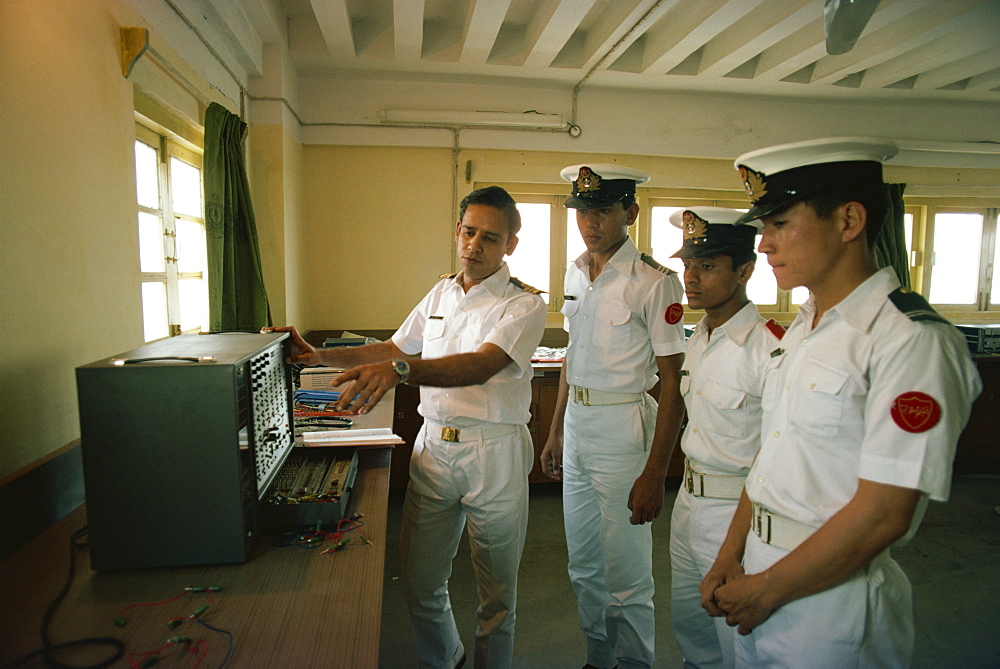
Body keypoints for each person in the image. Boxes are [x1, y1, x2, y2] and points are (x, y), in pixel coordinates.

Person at [699, 138, 982, 667]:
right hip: (755, 572)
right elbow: (771, 458)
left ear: (849, 220)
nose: (763, 246)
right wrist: (729, 554)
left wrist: (769, 588)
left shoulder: (908, 340)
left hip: (829, 601)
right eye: (764, 227)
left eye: (780, 223)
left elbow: (883, 515)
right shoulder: (805, 328)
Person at [266, 185, 547, 669]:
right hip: (434, 446)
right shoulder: (441, 292)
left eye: (491, 238)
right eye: (469, 232)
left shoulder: (523, 305)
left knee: (496, 593)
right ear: (457, 232)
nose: (475, 246)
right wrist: (317, 356)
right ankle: (446, 660)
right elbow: (395, 349)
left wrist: (403, 373)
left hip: (493, 453)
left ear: (511, 246)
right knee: (419, 581)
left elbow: (481, 366)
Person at [539, 163, 686, 669]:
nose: (590, 221)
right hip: (577, 428)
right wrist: (556, 430)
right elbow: (571, 359)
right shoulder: (576, 271)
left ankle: (635, 665)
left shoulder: (654, 282)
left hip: (624, 432)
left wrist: (655, 472)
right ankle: (599, 660)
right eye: (582, 210)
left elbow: (673, 386)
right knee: (584, 567)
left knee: (626, 575)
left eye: (602, 210)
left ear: (631, 211)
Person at [666, 207, 784, 669]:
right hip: (688, 505)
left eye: (707, 266)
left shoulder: (769, 349)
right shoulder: (700, 335)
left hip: (736, 515)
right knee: (692, 631)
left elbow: (776, 457)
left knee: (738, 641)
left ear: (745, 271)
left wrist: (738, 545)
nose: (690, 278)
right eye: (687, 266)